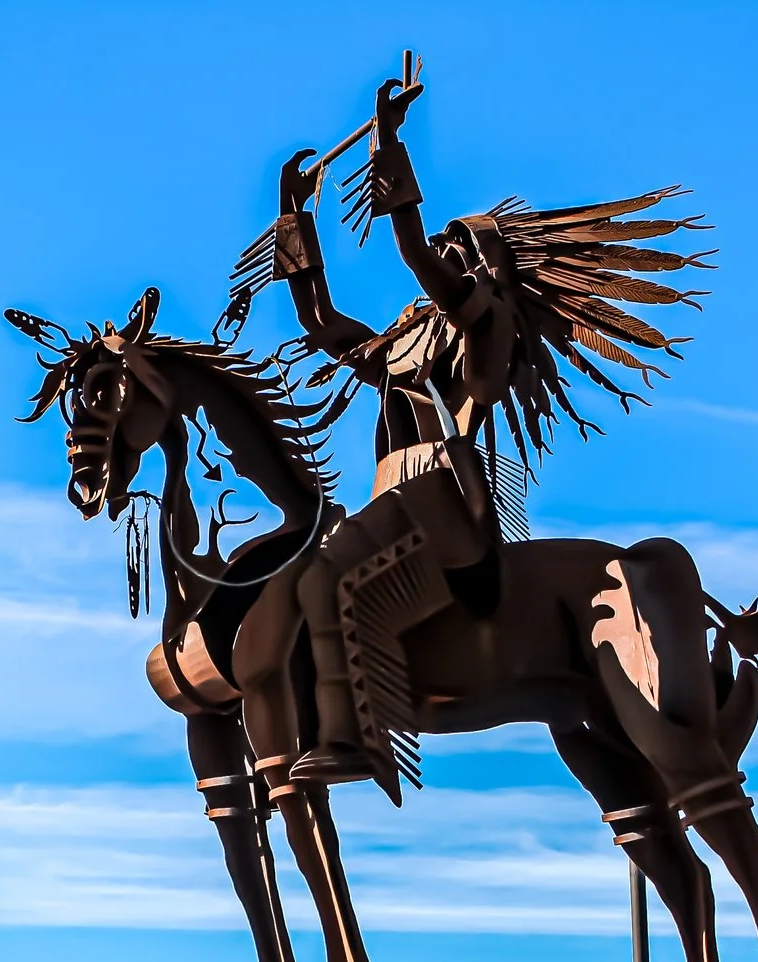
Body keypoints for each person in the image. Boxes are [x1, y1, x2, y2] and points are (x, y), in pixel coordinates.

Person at [251, 72, 712, 787]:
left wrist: (387, 143)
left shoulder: (484, 321)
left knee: (324, 575)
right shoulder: (406, 347)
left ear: (483, 268)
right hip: (393, 498)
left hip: (442, 499)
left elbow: (412, 251)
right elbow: (319, 321)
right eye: (446, 244)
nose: (443, 250)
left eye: (458, 248)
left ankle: (347, 739)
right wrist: (294, 218)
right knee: (307, 580)